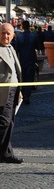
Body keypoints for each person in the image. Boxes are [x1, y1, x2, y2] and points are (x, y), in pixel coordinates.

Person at [0, 23, 23, 163]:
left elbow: (14, 71)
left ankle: (6, 153)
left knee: (10, 122)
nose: (6, 36)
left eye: (9, 33)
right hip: (2, 91)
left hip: (13, 90)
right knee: (4, 122)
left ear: (13, 35)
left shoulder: (11, 48)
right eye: (3, 33)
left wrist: (18, 91)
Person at [13, 20, 39, 105]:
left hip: (22, 60)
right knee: (29, 79)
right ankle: (27, 96)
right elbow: (38, 46)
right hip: (31, 59)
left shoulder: (19, 36)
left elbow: (17, 50)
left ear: (22, 27)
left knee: (22, 78)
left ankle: (22, 95)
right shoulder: (33, 35)